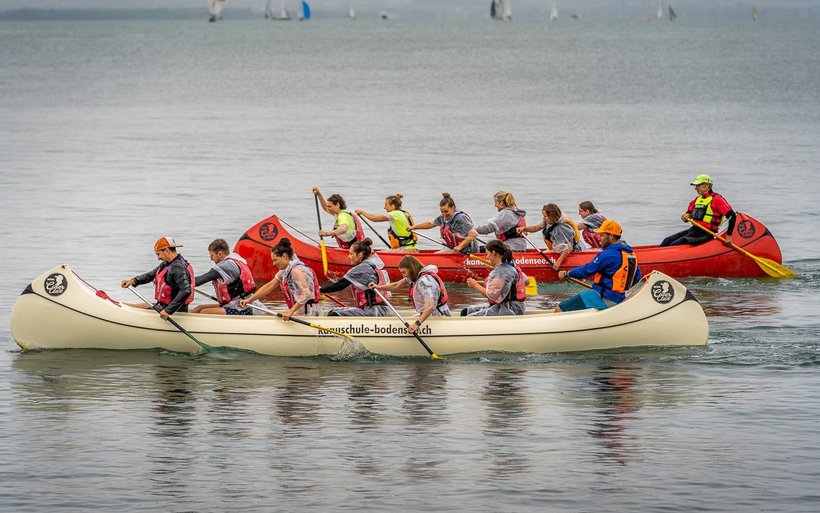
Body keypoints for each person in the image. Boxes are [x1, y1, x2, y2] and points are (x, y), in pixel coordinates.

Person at [556, 220, 643, 312]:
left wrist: (568, 273)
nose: (599, 238)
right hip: (619, 298)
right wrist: (618, 288)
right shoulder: (631, 254)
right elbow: (637, 277)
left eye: (602, 235)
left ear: (611, 236)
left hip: (603, 296)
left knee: (560, 308)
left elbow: (588, 269)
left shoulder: (609, 254)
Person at [240, 238, 322, 320]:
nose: (273, 263)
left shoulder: (295, 271)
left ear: (284, 257)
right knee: (267, 314)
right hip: (299, 312)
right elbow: (269, 286)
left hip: (310, 314)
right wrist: (249, 300)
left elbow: (306, 293)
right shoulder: (285, 270)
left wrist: (291, 311)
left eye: (275, 260)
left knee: (267, 316)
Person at [372, 255, 450, 333]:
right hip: (428, 313)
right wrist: (377, 287)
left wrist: (417, 323)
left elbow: (430, 305)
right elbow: (396, 285)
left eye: (404, 272)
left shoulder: (424, 282)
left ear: (411, 269)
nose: (403, 275)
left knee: (409, 324)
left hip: (438, 315)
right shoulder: (414, 277)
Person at [120, 237, 194, 320]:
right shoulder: (168, 264)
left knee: (136, 309)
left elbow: (186, 290)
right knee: (134, 306)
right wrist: (133, 281)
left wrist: (168, 311)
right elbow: (151, 275)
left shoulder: (177, 268)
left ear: (167, 251)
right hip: (163, 306)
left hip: (174, 312)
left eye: (158, 254)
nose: (158, 258)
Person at [318, 238, 392, 316]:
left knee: (334, 314)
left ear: (360, 255)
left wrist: (321, 290)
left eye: (351, 254)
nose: (348, 257)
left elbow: (340, 285)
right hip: (383, 310)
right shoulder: (372, 266)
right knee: (335, 310)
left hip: (372, 312)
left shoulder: (361, 268)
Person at [660, 174, 736, 247]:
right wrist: (685, 217)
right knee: (667, 240)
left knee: (676, 244)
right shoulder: (697, 200)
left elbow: (732, 216)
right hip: (693, 230)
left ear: (707, 185)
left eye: (698, 186)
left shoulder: (717, 199)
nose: (696, 188)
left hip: (706, 234)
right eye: (695, 186)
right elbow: (688, 215)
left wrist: (728, 236)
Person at [463, 240, 528, 316]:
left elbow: (491, 296)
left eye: (487, 253)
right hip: (513, 306)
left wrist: (475, 285)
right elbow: (527, 281)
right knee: (465, 312)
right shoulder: (512, 266)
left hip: (511, 308)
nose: (487, 257)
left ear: (493, 253)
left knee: (469, 317)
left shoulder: (502, 272)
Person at [191, 239, 256, 315]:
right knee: (199, 308)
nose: (211, 259)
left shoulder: (226, 266)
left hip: (243, 307)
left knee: (205, 312)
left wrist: (182, 281)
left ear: (220, 254)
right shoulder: (235, 260)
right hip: (234, 303)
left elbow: (198, 281)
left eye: (212, 255)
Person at [518, 203, 585, 271]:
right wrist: (524, 229)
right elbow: (536, 227)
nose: (544, 218)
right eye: (544, 216)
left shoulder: (560, 228)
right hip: (561, 249)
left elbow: (567, 248)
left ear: (552, 216)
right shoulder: (548, 221)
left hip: (573, 250)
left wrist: (558, 263)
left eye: (546, 216)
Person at [407, 192, 479, 254]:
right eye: (442, 212)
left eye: (446, 211)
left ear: (453, 208)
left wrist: (460, 246)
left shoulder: (460, 218)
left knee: (436, 257)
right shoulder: (442, 218)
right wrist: (413, 227)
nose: (444, 214)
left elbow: (473, 234)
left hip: (468, 250)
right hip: (455, 248)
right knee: (435, 255)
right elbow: (430, 224)